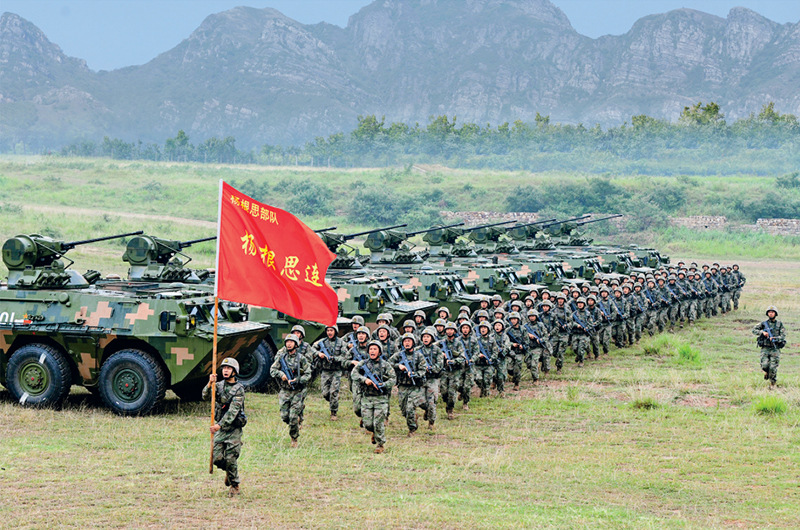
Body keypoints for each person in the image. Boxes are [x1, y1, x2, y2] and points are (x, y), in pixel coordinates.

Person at [203, 357, 245, 497]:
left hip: (233, 429)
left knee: (231, 459)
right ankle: (228, 471)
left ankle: (235, 485)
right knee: (216, 458)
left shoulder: (239, 390)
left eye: (229, 368)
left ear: (234, 371)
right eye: (224, 368)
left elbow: (233, 412)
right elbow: (205, 396)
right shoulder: (219, 385)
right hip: (220, 428)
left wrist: (219, 425)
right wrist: (210, 383)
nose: (226, 371)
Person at [353, 341, 396, 453]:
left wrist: (384, 384)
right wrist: (365, 380)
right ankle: (374, 433)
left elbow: (393, 379)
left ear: (380, 351)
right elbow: (354, 374)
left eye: (375, 349)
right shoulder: (363, 364)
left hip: (381, 398)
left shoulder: (385, 365)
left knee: (378, 422)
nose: (372, 351)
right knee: (367, 424)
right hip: (367, 397)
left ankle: (380, 444)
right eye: (371, 349)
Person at [270, 335, 311, 447]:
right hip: (285, 391)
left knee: (292, 417)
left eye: (291, 342)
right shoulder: (281, 358)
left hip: (297, 391)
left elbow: (308, 373)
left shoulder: (301, 358)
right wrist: (281, 375)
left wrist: (298, 380)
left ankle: (294, 438)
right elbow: (272, 370)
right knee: (285, 416)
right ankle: (296, 420)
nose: (289, 344)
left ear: (296, 344)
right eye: (287, 342)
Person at [389, 333, 428, 436]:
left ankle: (412, 429)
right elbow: (388, 363)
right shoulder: (399, 355)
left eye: (409, 341)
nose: (407, 343)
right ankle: (413, 418)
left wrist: (415, 374)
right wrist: (399, 366)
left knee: (410, 407)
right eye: (405, 341)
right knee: (403, 409)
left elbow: (423, 370)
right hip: (402, 385)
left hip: (414, 386)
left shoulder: (419, 356)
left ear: (413, 343)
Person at [313, 325, 347, 421]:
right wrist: (319, 354)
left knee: (333, 392)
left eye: (331, 330)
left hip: (336, 371)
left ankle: (333, 412)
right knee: (325, 393)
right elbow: (312, 349)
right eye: (328, 330)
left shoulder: (341, 343)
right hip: (325, 370)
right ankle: (333, 400)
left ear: (335, 331)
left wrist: (334, 359)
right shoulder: (322, 342)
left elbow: (345, 356)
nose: (329, 332)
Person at [752, 306, 786, 387]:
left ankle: (772, 384)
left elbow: (783, 335)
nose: (771, 313)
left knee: (773, 367)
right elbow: (754, 330)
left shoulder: (779, 324)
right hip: (765, 348)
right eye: (769, 312)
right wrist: (762, 332)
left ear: (775, 313)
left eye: (772, 312)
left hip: (775, 348)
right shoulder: (763, 324)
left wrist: (776, 338)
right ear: (767, 313)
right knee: (764, 365)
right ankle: (767, 372)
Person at [417, 327, 444, 429]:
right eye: (424, 337)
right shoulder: (418, 350)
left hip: (433, 378)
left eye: (428, 337)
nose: (425, 338)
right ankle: (427, 410)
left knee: (431, 402)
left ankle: (431, 423)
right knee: (419, 401)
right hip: (421, 379)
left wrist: (431, 368)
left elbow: (440, 364)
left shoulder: (437, 350)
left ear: (432, 338)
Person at [439, 322, 466, 419]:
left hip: (455, 371)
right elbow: (431, 347)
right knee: (443, 391)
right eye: (447, 330)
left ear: (454, 331)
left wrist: (453, 361)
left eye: (451, 330)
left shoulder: (458, 343)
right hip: (444, 370)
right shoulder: (442, 342)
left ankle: (450, 410)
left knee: (452, 392)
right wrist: (441, 354)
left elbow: (462, 357)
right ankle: (447, 403)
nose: (449, 331)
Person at [474, 321, 498, 397]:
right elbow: (473, 351)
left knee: (487, 380)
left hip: (488, 364)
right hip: (478, 364)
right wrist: (478, 355)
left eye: (485, 328)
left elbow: (495, 352)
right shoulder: (476, 340)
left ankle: (486, 393)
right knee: (478, 379)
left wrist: (491, 359)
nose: (483, 329)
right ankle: (482, 389)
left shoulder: (492, 340)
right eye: (481, 328)